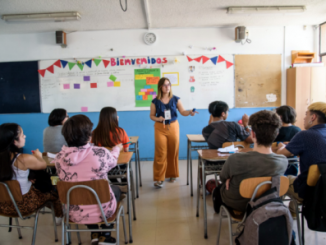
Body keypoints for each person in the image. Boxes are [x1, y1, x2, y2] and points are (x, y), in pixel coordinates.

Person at [54, 115, 122, 245]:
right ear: (89, 135)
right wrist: (116, 149)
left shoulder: (59, 158)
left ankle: (94, 232)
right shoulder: (100, 153)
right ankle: (106, 235)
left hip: (74, 213)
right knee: (116, 190)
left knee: (81, 194)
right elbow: (113, 162)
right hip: (103, 212)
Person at [212, 110, 287, 213]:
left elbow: (223, 178)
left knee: (219, 189)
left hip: (238, 204)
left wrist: (229, 180)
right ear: (276, 134)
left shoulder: (235, 159)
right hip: (268, 202)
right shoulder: (283, 161)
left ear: (252, 134)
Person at [0, 123, 62, 218]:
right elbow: (43, 165)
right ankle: (60, 217)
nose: (25, 136)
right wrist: (39, 156)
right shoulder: (23, 159)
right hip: (23, 205)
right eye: (22, 135)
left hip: (2, 206)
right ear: (14, 142)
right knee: (53, 192)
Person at [276, 102, 326, 215]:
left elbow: (280, 154)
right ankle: (293, 212)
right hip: (323, 189)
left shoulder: (305, 135)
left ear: (313, 117)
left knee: (280, 179)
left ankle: (281, 217)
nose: (304, 118)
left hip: (309, 190)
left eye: (306, 114)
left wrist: (282, 146)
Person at [150, 77, 198, 188]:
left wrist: (190, 112)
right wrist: (158, 118)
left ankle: (172, 174)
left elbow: (183, 112)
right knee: (160, 152)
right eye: (165, 85)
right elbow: (151, 116)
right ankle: (159, 179)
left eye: (169, 84)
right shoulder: (155, 101)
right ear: (160, 87)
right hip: (160, 127)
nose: (167, 87)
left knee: (173, 151)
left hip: (173, 126)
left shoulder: (176, 99)